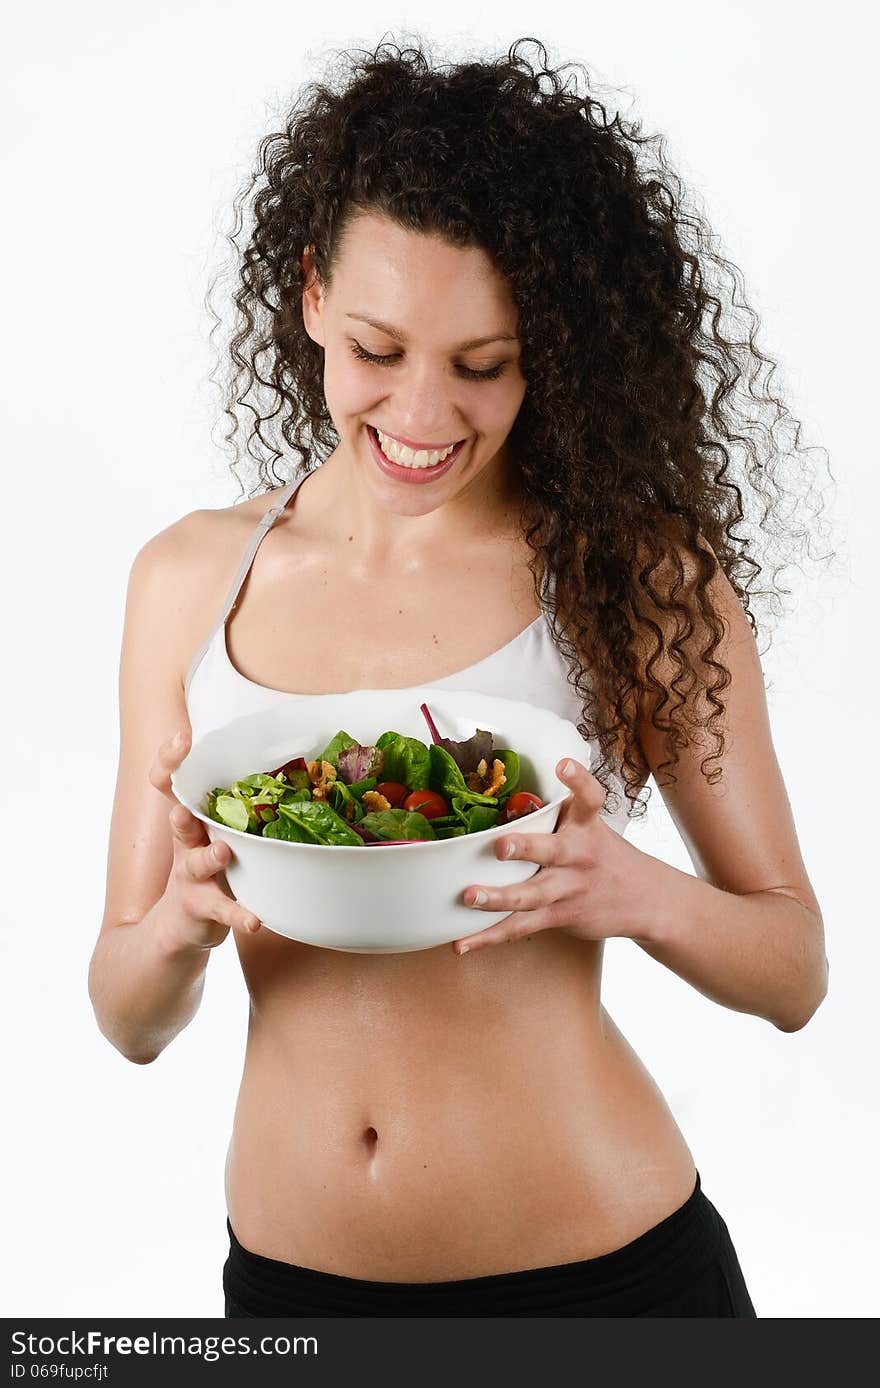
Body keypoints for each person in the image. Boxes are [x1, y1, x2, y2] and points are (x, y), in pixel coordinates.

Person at [88, 37, 830, 1317]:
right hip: (289, 1294)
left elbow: (792, 969)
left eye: (483, 364)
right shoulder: (187, 581)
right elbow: (128, 1014)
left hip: (608, 1280)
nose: (423, 414)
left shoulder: (632, 575)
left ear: (552, 349)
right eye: (377, 349)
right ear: (311, 295)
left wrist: (628, 887)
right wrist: (180, 921)